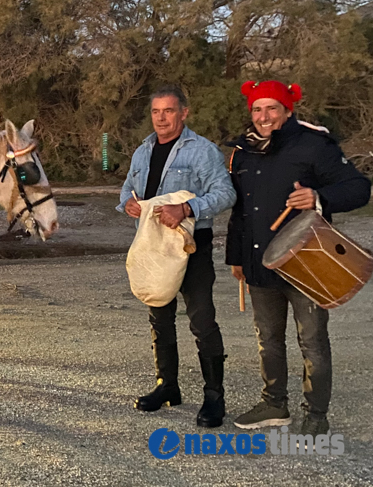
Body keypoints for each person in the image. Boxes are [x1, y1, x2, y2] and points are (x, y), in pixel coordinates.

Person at [227, 81, 371, 435]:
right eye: (257, 109)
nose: (264, 117)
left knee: (312, 342)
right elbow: (240, 211)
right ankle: (275, 404)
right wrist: (237, 258)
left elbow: (359, 189)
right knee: (268, 340)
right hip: (261, 262)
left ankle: (316, 416)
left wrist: (318, 196)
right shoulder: (244, 150)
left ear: (287, 110)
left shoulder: (314, 145)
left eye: (272, 108)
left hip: (308, 263)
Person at [117, 85, 236, 428]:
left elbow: (225, 193)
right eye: (156, 112)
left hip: (190, 243)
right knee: (160, 315)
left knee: (202, 320)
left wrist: (187, 207)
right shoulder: (143, 150)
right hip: (153, 244)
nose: (162, 118)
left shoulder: (202, 151)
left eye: (169, 111)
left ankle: (214, 397)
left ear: (184, 113)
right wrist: (127, 202)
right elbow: (129, 187)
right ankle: (167, 387)